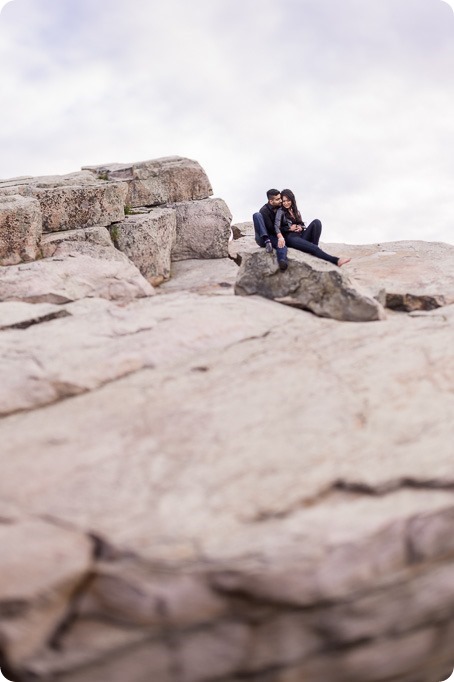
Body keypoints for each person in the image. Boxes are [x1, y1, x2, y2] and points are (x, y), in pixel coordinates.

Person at [274, 189, 351, 267]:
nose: (286, 203)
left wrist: (300, 227)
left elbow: (302, 224)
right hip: (291, 238)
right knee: (314, 248)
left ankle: (314, 248)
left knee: (317, 222)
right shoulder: (280, 211)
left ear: (292, 199)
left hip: (300, 235)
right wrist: (289, 229)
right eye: (284, 201)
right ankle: (337, 261)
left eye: (288, 200)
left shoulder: (295, 210)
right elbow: (276, 227)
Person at [252, 189, 288, 271]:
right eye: (278, 199)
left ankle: (282, 261)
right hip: (262, 237)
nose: (281, 201)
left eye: (280, 198)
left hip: (273, 236)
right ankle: (267, 241)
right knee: (257, 215)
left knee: (282, 245)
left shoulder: (281, 208)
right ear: (271, 201)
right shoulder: (264, 210)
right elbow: (271, 228)